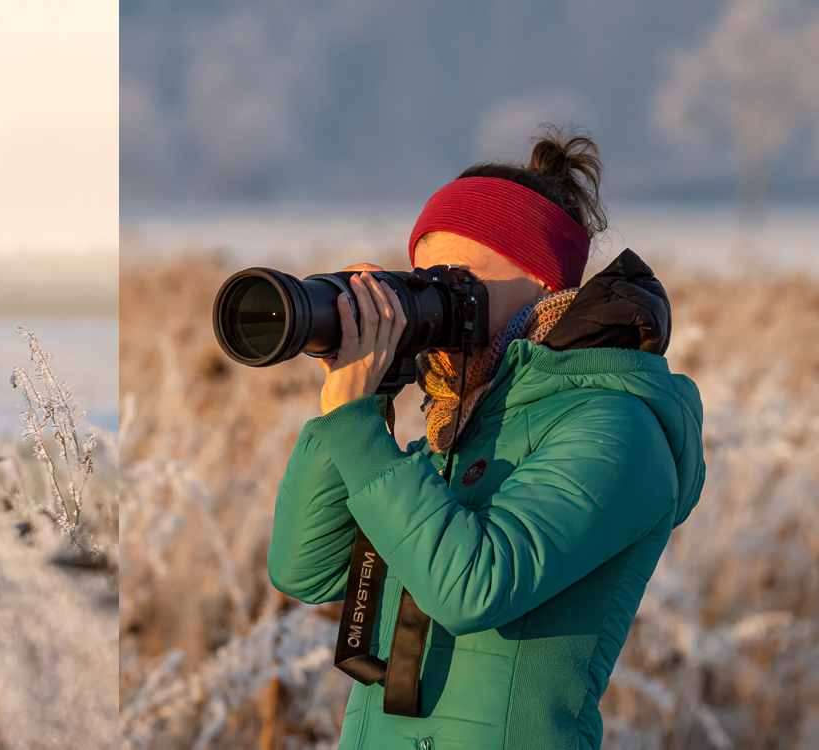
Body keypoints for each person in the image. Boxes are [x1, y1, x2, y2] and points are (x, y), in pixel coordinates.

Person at [266, 128, 705, 750]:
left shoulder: (616, 428)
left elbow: (473, 587)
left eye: (457, 277)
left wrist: (354, 426)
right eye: (421, 276)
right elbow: (302, 569)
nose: (430, 296)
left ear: (547, 285)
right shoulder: (453, 437)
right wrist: (364, 395)